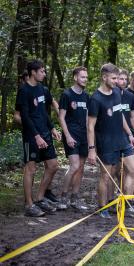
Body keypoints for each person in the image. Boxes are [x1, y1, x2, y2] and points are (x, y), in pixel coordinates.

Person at [87, 63, 134, 219]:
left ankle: (125, 204)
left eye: (118, 78)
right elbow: (90, 126)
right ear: (104, 77)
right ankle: (103, 207)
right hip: (106, 142)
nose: (117, 81)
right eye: (114, 78)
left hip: (122, 139)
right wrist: (91, 149)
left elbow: (120, 115)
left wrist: (129, 134)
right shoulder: (96, 98)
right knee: (106, 176)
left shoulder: (117, 92)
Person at [16, 59, 62, 217]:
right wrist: (36, 136)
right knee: (31, 169)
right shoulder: (24, 90)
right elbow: (25, 117)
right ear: (33, 72)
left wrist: (52, 128)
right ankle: (29, 205)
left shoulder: (43, 89)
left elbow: (44, 113)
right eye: (41, 71)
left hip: (45, 133)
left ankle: (40, 198)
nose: (44, 74)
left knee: (53, 165)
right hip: (31, 135)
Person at [57, 66, 90, 211]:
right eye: (83, 77)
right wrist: (68, 136)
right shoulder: (67, 95)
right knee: (74, 166)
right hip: (71, 136)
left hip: (84, 136)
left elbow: (89, 118)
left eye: (86, 77)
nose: (85, 80)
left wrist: (90, 137)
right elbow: (61, 117)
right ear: (75, 77)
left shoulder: (86, 96)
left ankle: (75, 198)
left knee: (81, 168)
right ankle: (63, 196)